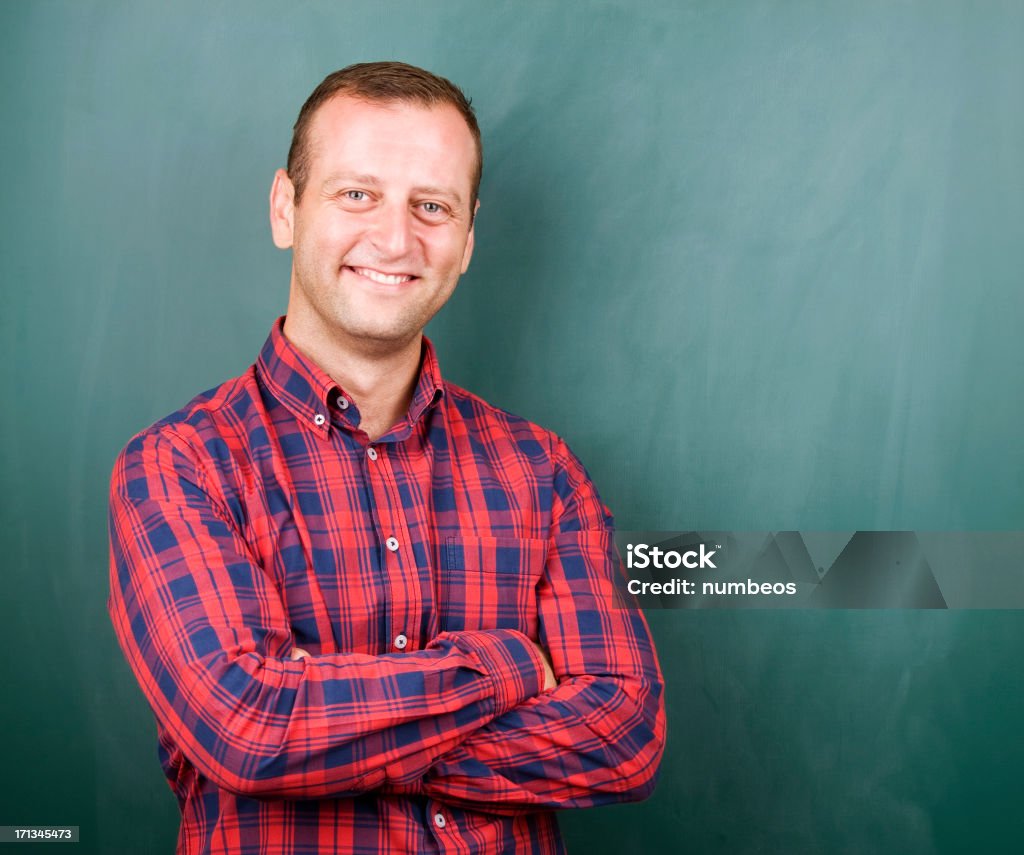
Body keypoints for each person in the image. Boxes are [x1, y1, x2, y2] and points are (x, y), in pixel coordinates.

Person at [108, 61, 665, 855]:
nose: (396, 238)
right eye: (357, 193)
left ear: (468, 240)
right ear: (285, 208)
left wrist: (332, 734)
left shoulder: (543, 473)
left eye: (431, 206)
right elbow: (251, 729)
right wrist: (506, 667)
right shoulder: (179, 467)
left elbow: (623, 734)